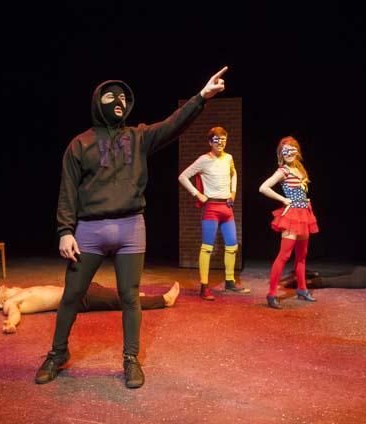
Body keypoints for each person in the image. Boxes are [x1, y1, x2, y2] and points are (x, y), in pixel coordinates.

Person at [36, 66, 228, 389]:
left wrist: (201, 98)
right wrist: (64, 230)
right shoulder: (79, 145)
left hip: (130, 228)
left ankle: (130, 358)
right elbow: (67, 190)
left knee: (129, 296)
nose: (119, 101)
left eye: (123, 97)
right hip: (89, 231)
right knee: (72, 295)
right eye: (111, 97)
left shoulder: (138, 137)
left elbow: (172, 125)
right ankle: (57, 353)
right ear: (98, 102)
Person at [178, 126, 248, 301]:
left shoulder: (229, 158)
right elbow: (183, 176)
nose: (220, 143)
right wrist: (198, 194)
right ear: (210, 142)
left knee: (232, 246)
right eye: (216, 140)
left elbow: (234, 174)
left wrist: (233, 192)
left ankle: (230, 282)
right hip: (211, 208)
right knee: (207, 247)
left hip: (227, 208)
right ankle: (204, 286)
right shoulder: (204, 160)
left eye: (223, 140)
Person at [259, 136, 319, 309]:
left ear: (297, 152)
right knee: (284, 255)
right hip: (292, 215)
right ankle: (271, 294)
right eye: (285, 150)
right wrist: (284, 199)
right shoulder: (282, 171)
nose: (289, 153)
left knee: (302, 256)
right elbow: (263, 187)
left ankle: (302, 289)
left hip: (304, 214)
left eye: (292, 149)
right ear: (281, 154)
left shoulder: (301, 170)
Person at [0, 282, 181, 334]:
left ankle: (135, 297)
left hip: (77, 290)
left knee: (113, 295)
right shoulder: (9, 304)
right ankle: (164, 300)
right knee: (124, 302)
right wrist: (10, 323)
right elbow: (14, 312)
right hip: (77, 299)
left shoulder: (15, 291)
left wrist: (5, 290)